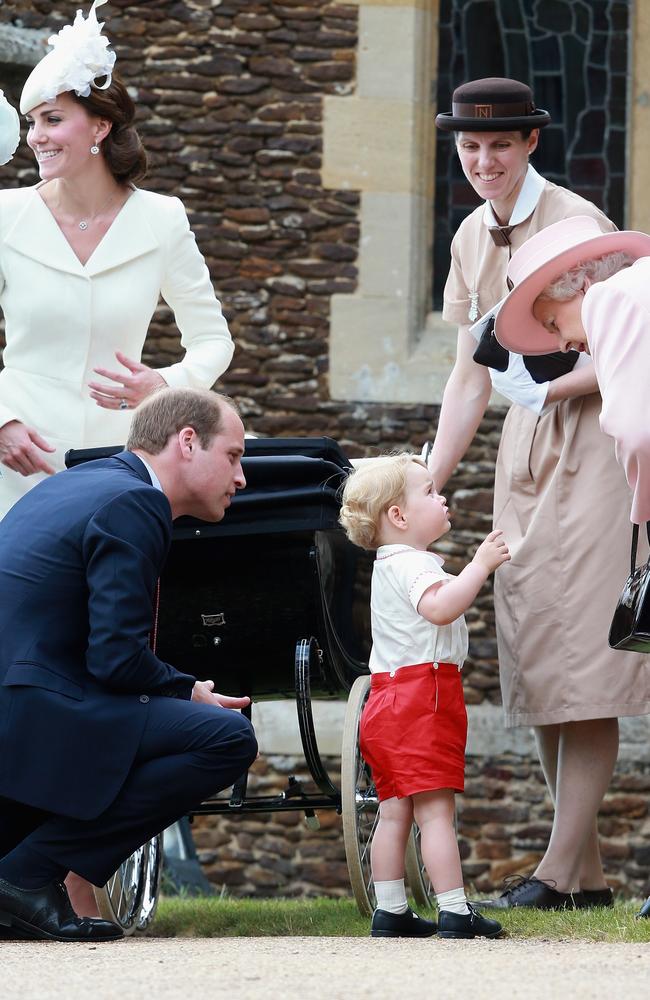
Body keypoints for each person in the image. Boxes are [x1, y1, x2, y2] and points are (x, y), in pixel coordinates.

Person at [428, 77, 650, 911]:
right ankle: (586, 878)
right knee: (543, 656)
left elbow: (622, 348)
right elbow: (465, 378)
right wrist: (429, 480)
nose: (483, 161)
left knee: (587, 657)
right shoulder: (468, 236)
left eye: (499, 145)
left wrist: (548, 392)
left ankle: (556, 875)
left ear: (530, 145)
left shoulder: (576, 227)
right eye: (470, 147)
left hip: (598, 442)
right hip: (525, 456)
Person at [0, 387, 258, 942]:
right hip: (31, 711)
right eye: (234, 457)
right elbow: (116, 659)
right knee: (226, 738)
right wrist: (188, 690)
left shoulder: (82, 483)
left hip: (22, 705)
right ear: (187, 441)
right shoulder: (136, 502)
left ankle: (17, 883)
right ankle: (25, 876)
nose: (241, 479)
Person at [0, 0, 234, 519]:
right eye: (31, 121)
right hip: (16, 462)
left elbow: (214, 341)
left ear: (100, 128)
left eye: (53, 120)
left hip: (119, 466)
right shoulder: (6, 215)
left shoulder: (162, 218)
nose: (35, 136)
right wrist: (1, 422)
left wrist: (166, 384)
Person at [339, 454, 509, 939]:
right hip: (423, 698)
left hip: (386, 699)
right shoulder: (414, 564)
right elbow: (439, 607)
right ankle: (454, 909)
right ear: (399, 516)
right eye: (431, 492)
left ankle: (390, 909)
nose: (443, 498)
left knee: (394, 810)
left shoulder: (387, 564)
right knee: (436, 810)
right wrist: (479, 567)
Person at [493, 215, 650, 528]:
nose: (562, 345)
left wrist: (643, 508)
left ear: (582, 284)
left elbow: (637, 435)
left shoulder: (607, 297)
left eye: (553, 324)